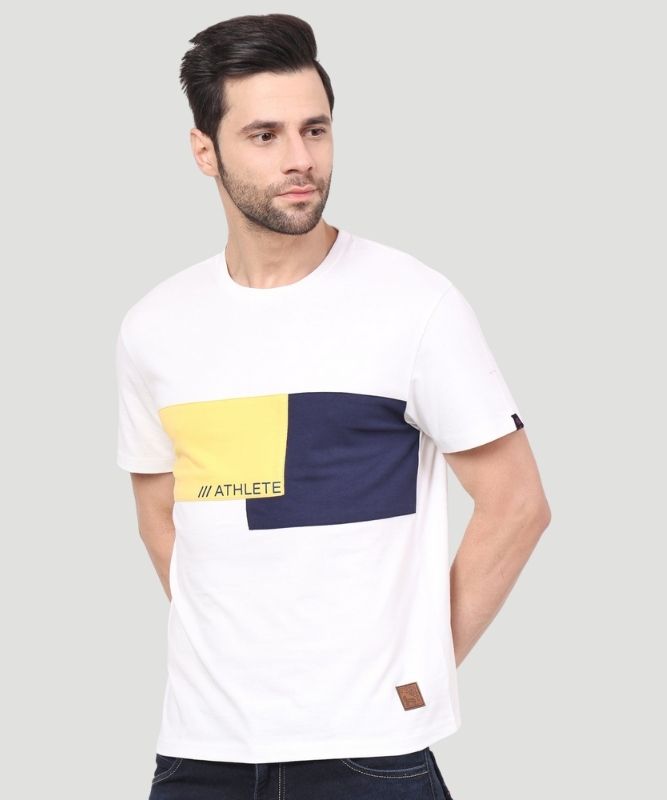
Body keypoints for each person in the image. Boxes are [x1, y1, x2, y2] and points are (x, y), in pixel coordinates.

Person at [115, 13, 551, 800]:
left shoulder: (413, 304)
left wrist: (414, 670)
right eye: (265, 135)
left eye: (314, 130)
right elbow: (158, 514)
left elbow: (516, 504)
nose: (300, 160)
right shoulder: (155, 326)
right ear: (204, 151)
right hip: (197, 753)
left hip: (366, 753)